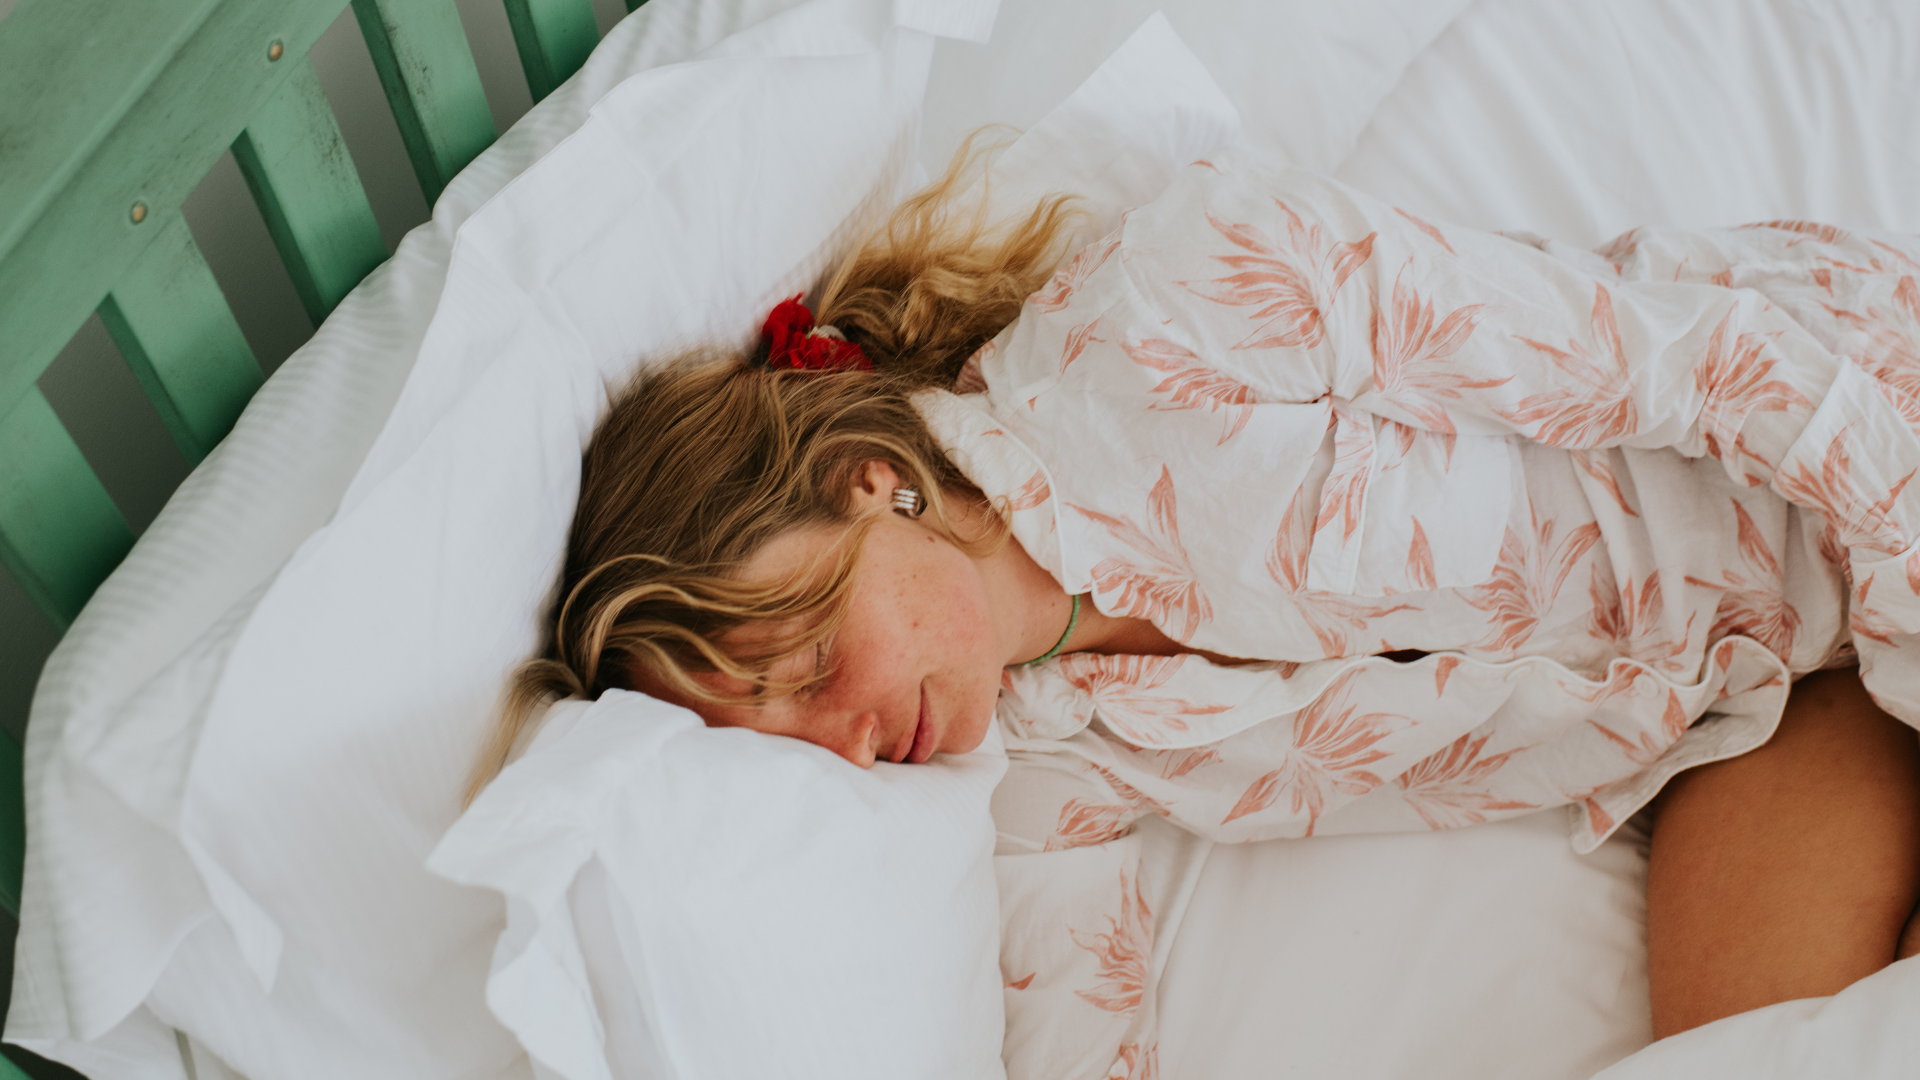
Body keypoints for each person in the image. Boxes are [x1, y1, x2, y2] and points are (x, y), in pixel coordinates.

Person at [472, 143, 1920, 1039]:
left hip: (1855, 439)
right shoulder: (1042, 765)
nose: (836, 732)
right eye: (777, 735)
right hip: (1764, 688)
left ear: (863, 481)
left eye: (792, 658)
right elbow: (1079, 1034)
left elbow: (1717, 367)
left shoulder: (1176, 309)